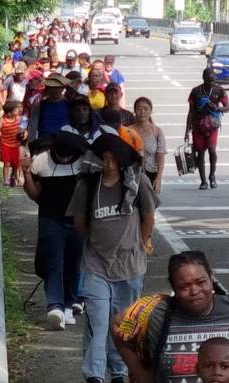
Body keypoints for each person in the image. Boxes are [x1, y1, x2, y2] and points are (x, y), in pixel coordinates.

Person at [111, 251, 229, 383]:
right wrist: (139, 372)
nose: (194, 291)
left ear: (211, 280)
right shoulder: (156, 312)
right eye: (184, 286)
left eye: (201, 282)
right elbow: (118, 327)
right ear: (173, 288)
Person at [66, 133, 158, 383]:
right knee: (98, 322)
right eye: (103, 159)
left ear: (121, 160)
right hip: (96, 265)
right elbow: (79, 222)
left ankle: (118, 372)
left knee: (123, 324)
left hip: (130, 265)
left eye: (113, 159)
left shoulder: (137, 181)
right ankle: (94, 375)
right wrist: (98, 242)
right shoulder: (87, 185)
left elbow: (148, 217)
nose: (108, 165)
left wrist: (140, 241)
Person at [21, 131, 88, 330]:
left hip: (77, 220)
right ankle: (55, 306)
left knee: (74, 263)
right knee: (53, 262)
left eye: (69, 155)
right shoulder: (41, 162)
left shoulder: (84, 162)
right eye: (61, 154)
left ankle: (69, 305)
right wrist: (26, 174)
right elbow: (34, 194)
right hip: (50, 220)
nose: (66, 158)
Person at [185, 68, 229, 190]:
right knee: (200, 153)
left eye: (213, 80)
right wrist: (187, 131)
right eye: (209, 80)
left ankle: (212, 176)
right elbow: (191, 112)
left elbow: (227, 108)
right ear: (203, 78)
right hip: (198, 126)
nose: (211, 82)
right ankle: (203, 180)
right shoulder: (195, 92)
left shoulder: (219, 91)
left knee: (212, 150)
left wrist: (218, 108)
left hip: (212, 125)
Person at [130, 97, 166, 193]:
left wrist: (158, 179)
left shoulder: (157, 131)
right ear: (134, 111)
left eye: (146, 109)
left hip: (151, 174)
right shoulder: (128, 131)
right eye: (139, 109)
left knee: (149, 206)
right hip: (131, 175)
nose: (142, 112)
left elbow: (160, 157)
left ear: (150, 111)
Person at [27, 73, 70, 144]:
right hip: (44, 142)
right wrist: (31, 144)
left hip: (64, 142)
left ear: (63, 88)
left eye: (59, 87)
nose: (56, 90)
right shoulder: (39, 103)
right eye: (53, 87)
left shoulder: (68, 103)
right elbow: (33, 124)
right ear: (48, 88)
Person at [0, 101, 23, 186]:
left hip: (15, 145)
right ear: (9, 113)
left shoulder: (18, 118)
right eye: (16, 110)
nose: (18, 111)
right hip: (5, 145)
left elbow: (22, 128)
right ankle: (6, 180)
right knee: (6, 163)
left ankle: (13, 175)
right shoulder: (2, 121)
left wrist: (23, 133)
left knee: (16, 164)